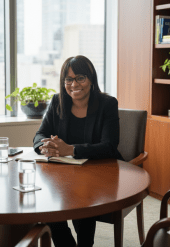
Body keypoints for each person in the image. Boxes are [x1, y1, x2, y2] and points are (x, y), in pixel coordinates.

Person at [33, 55, 124, 247]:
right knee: (49, 207)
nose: (74, 84)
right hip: (65, 175)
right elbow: (39, 135)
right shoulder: (57, 101)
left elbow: (109, 145)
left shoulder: (107, 104)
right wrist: (46, 146)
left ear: (91, 79)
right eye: (68, 79)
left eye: (80, 78)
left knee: (82, 198)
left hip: (100, 174)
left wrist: (71, 150)